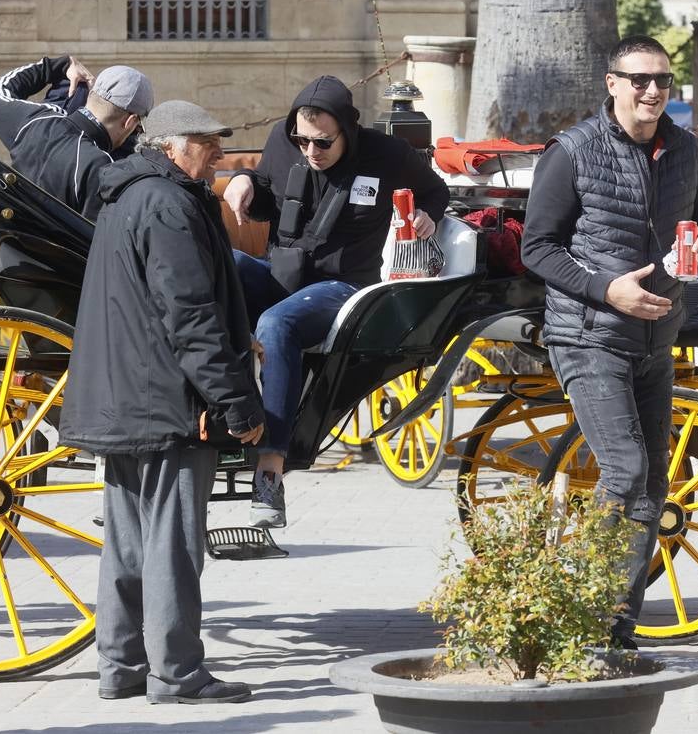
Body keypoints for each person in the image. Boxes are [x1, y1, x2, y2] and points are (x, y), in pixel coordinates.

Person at [520, 35, 698, 649]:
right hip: (588, 335)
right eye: (639, 79)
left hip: (656, 338)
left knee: (655, 481)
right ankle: (583, 613)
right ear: (611, 83)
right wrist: (607, 290)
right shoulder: (573, 152)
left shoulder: (685, 149)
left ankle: (614, 630)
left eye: (663, 80)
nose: (653, 91)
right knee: (627, 468)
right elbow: (537, 248)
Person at [60, 100, 265, 705]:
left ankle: (120, 667)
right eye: (208, 143)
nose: (221, 156)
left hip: (127, 399)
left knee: (127, 542)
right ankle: (177, 674)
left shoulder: (129, 196)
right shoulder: (170, 205)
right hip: (166, 402)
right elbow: (191, 318)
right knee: (172, 545)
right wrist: (237, 403)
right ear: (171, 146)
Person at [221, 75, 449, 528]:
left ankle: (270, 474)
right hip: (283, 274)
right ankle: (195, 423)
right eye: (302, 141)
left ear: (346, 128)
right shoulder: (285, 144)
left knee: (276, 324)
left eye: (322, 142)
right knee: (210, 265)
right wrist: (244, 180)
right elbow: (265, 192)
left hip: (344, 288)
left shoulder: (388, 155)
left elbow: (435, 191)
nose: (310, 151)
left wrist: (426, 214)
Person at [0, 55, 154, 220]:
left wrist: (58, 65)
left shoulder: (38, 120)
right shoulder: (102, 167)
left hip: (7, 244)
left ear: (92, 94)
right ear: (130, 122)